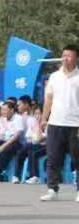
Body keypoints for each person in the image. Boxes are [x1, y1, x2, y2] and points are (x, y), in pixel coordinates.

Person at [39, 45, 79, 202]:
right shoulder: (54, 77)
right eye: (64, 55)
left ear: (76, 58)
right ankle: (52, 189)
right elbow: (48, 99)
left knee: (77, 159)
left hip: (75, 124)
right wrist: (44, 118)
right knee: (53, 158)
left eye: (69, 56)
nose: (65, 58)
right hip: (56, 123)